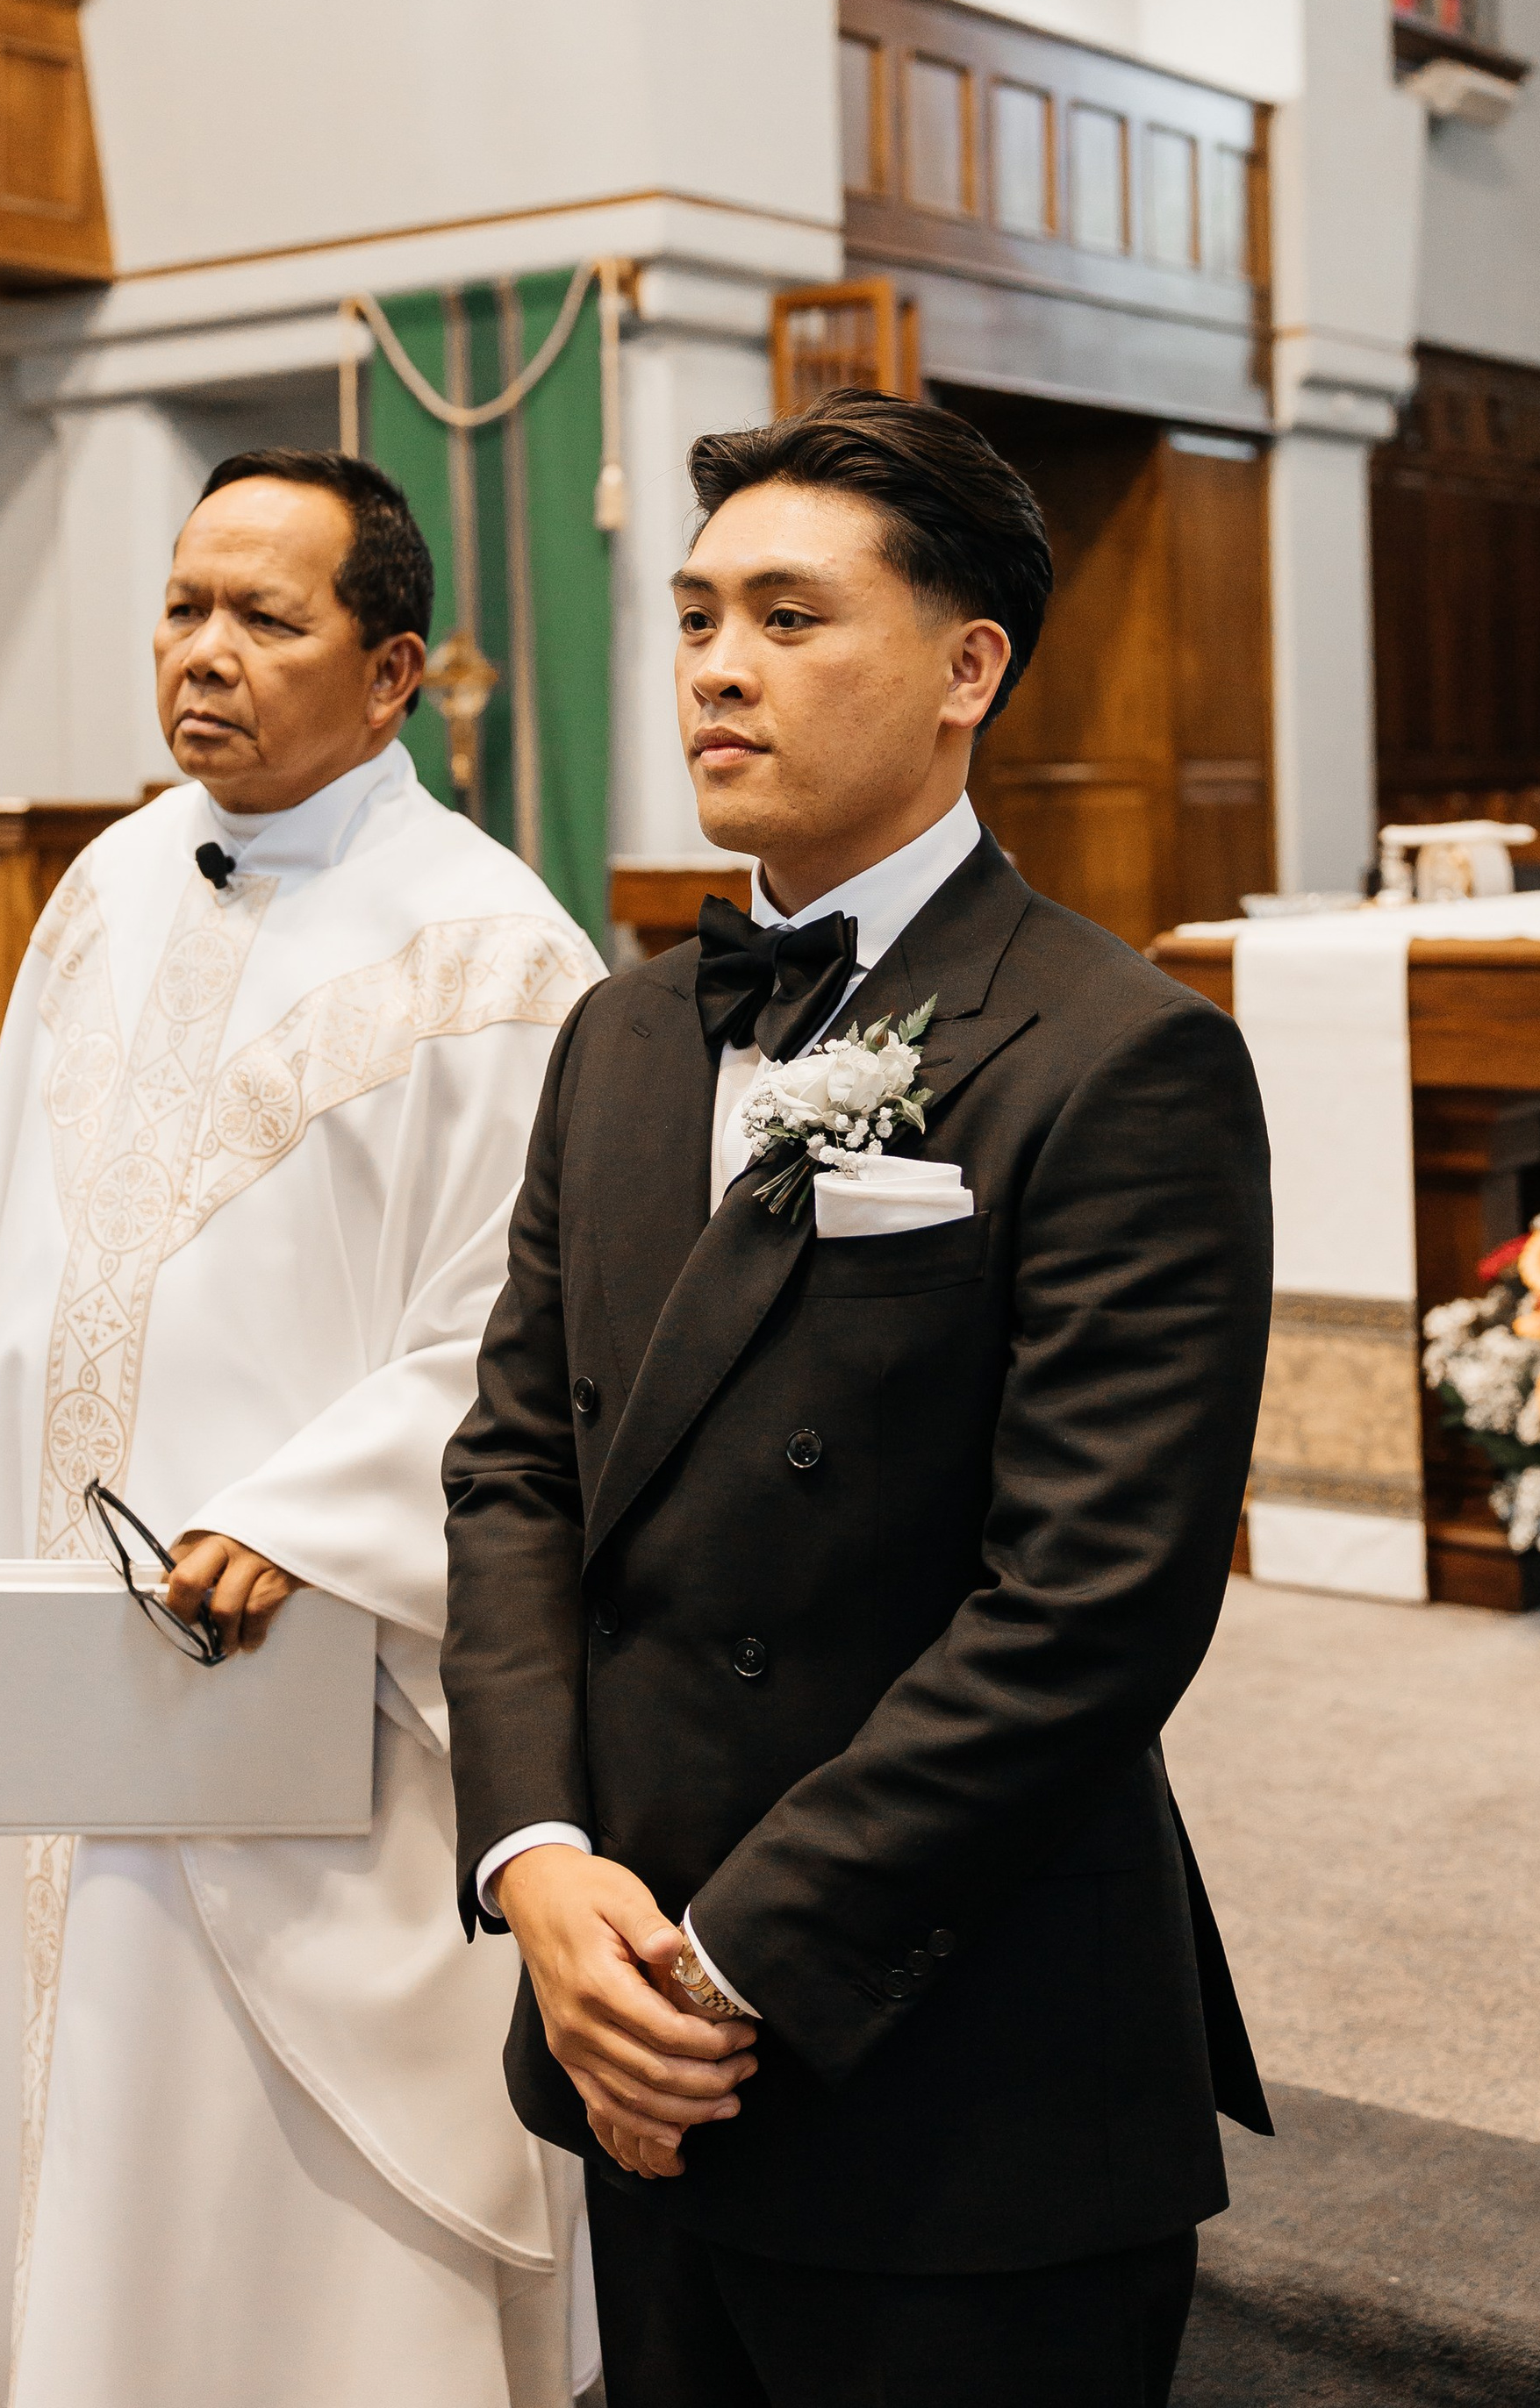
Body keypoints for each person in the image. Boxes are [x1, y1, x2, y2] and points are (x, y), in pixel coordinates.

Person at [443, 389, 1273, 2408]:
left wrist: (728, 1966)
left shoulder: (1117, 1055)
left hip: (946, 2058)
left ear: (965, 668)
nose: (715, 667)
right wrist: (539, 1863)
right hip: (624, 2015)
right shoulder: (620, 1034)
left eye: (790, 617)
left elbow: (1087, 1609)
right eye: (695, 616)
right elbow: (516, 1469)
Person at [0, 449, 603, 2408]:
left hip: (289, 1662)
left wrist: (309, 1513)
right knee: (37, 2098)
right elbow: (0, 1251)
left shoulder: (499, 953)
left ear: (394, 672)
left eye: (265, 618)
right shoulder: (105, 887)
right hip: (51, 1636)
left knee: (235, 2191)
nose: (203, 653)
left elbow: (528, 1337)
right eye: (183, 607)